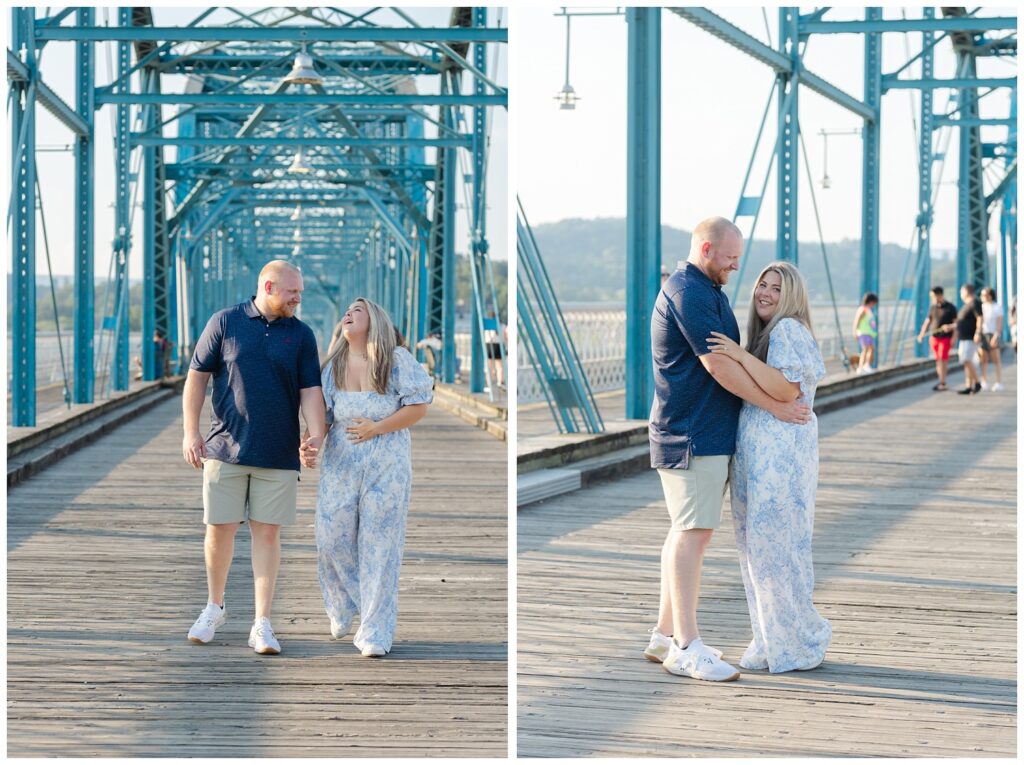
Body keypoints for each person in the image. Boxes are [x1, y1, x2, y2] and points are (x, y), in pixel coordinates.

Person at [646, 216, 811, 683]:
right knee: (693, 534)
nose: (737, 266)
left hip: (702, 432)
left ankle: (663, 635)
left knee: (685, 530)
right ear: (705, 249)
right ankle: (686, 646)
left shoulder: (706, 288)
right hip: (691, 433)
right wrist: (774, 407)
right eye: (731, 257)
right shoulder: (690, 292)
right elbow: (717, 365)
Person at [182, 260, 326, 655]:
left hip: (277, 452)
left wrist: (317, 435)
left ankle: (262, 622)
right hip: (224, 447)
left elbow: (311, 390)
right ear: (268, 286)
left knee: (267, 533)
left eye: (300, 292)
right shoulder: (225, 322)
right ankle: (215, 607)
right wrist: (190, 432)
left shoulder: (301, 335)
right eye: (293, 292)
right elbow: (196, 377)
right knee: (219, 529)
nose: (298, 298)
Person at [706, 262, 832, 672]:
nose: (765, 293)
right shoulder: (769, 335)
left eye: (776, 288)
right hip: (760, 457)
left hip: (780, 459)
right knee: (759, 551)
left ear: (791, 297)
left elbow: (785, 388)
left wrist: (738, 355)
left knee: (773, 549)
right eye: (762, 284)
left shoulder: (787, 330)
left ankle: (792, 642)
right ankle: (772, 639)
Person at [304, 298, 433, 658]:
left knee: (380, 546)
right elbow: (325, 417)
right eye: (345, 311)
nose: (348, 314)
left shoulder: (396, 361)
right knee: (330, 538)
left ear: (373, 318)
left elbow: (419, 406)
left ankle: (375, 630)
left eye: (356, 310)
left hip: (386, 465)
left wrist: (377, 427)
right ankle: (346, 603)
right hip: (341, 465)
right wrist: (311, 442)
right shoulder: (333, 366)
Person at [916, 286, 958, 391]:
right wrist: (922, 333)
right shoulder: (933, 307)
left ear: (940, 295)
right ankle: (941, 380)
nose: (933, 299)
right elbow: (927, 321)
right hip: (934, 338)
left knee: (943, 359)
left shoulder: (950, 307)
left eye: (934, 296)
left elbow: (956, 324)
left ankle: (942, 381)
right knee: (938, 359)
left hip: (946, 338)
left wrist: (954, 338)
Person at [953, 284, 984, 395]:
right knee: (967, 362)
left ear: (967, 292)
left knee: (966, 360)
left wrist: (978, 332)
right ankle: (969, 386)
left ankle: (977, 382)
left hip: (970, 337)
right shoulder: (966, 305)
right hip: (964, 337)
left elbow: (980, 318)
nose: (960, 294)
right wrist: (951, 326)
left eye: (962, 291)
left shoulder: (975, 303)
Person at [977, 287, 1004, 392]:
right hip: (983, 334)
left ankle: (999, 382)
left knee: (996, 360)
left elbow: (999, 323)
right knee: (983, 360)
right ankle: (984, 381)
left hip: (993, 334)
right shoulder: (981, 307)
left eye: (984, 295)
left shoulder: (997, 307)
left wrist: (996, 336)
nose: (982, 297)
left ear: (990, 295)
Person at [852, 292, 878, 374]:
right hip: (864, 333)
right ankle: (860, 368)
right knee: (865, 349)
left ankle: (866, 366)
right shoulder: (863, 310)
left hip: (869, 333)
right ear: (871, 301)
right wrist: (855, 332)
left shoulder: (868, 310)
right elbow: (857, 321)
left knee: (871, 349)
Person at [484, 310, 506, 390]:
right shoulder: (502, 325)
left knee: (489, 367)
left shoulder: (486, 325)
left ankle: (489, 384)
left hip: (489, 345)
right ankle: (500, 382)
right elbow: (506, 336)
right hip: (499, 346)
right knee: (499, 366)